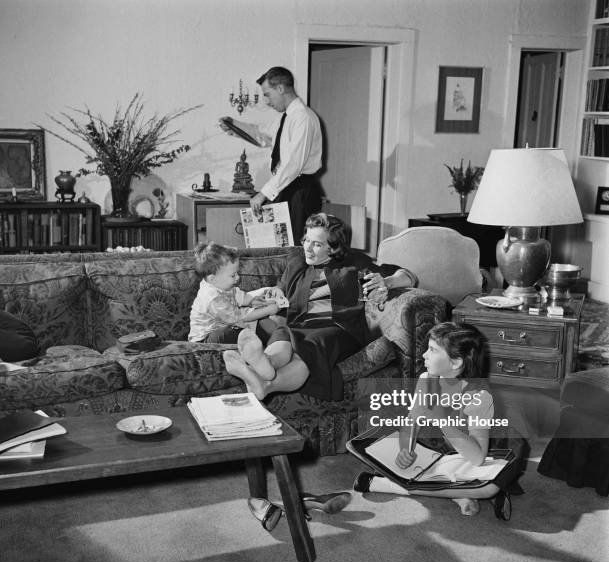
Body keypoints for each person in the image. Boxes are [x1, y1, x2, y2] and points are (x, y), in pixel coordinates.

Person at [222, 212, 418, 402]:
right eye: (307, 240)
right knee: (284, 334)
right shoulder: (297, 263)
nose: (307, 248)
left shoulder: (354, 264)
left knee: (311, 345)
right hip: (298, 325)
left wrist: (388, 282)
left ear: (332, 248)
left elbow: (409, 275)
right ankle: (264, 363)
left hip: (337, 329)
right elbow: (279, 291)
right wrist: (276, 293)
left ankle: (266, 385)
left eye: (316, 244)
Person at [353, 321, 501, 516]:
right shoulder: (426, 380)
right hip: (437, 449)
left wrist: (440, 419)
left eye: (432, 350)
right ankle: (453, 491)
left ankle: (382, 484)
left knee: (489, 488)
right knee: (390, 455)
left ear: (456, 362)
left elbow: (477, 457)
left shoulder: (479, 395)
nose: (424, 355)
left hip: (470, 452)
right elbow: (411, 425)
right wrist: (405, 449)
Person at [219, 66, 323, 242]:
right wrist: (234, 125)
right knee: (282, 247)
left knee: (297, 249)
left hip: (301, 192)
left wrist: (263, 194)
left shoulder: (302, 117)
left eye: (268, 94)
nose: (267, 100)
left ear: (281, 89)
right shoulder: (287, 117)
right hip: (287, 188)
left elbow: (293, 164)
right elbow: (263, 135)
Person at [188, 242, 282, 344]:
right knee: (231, 332)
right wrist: (268, 310)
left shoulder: (223, 285)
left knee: (257, 321)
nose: (237, 278)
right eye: (233, 275)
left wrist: (267, 290)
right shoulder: (212, 297)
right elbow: (240, 317)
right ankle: (256, 347)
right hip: (205, 340)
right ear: (212, 279)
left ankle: (273, 343)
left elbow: (245, 298)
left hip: (231, 323)